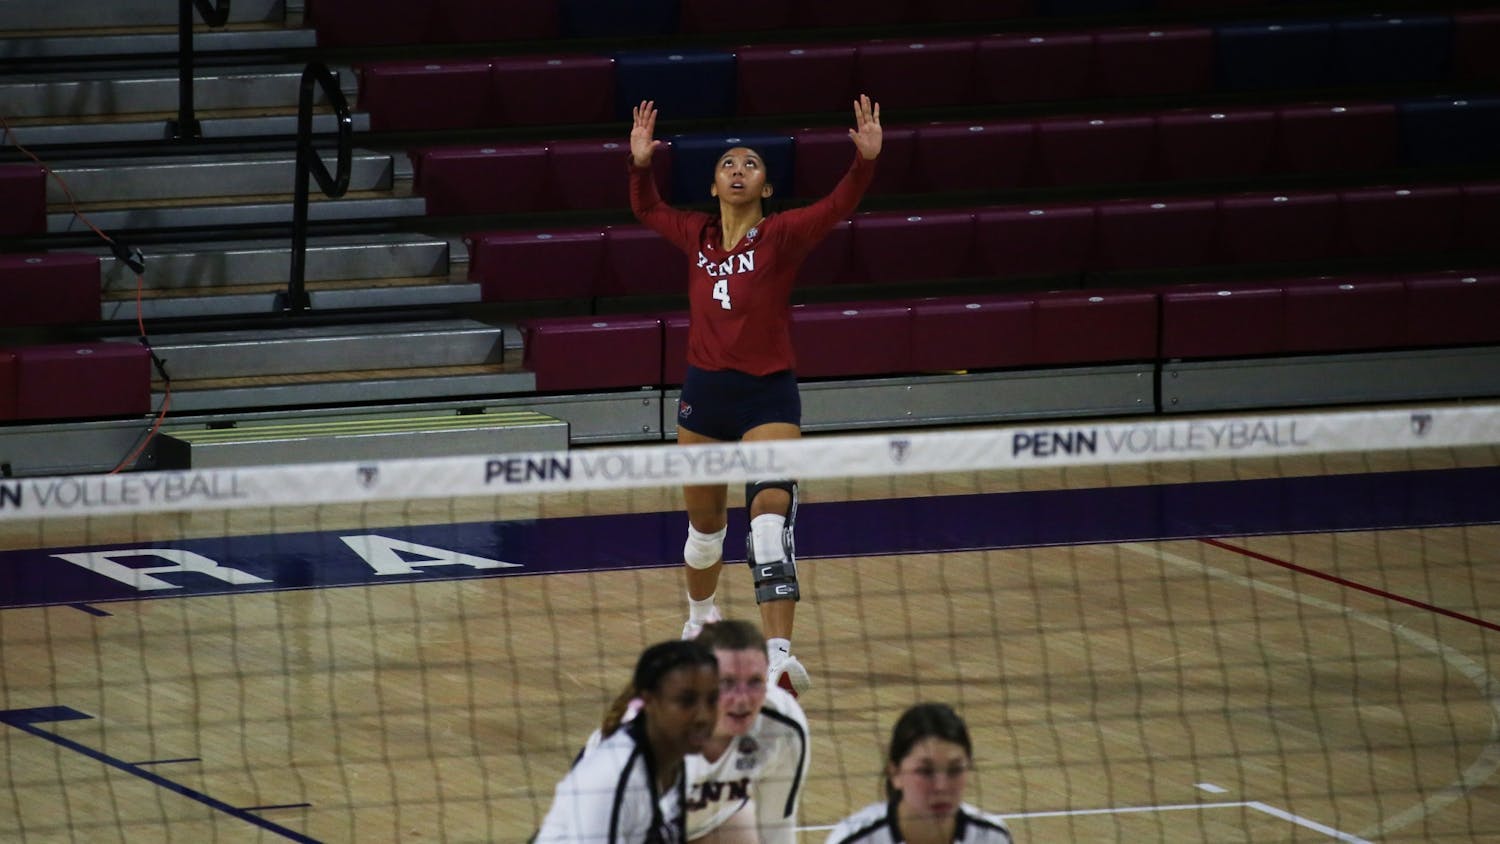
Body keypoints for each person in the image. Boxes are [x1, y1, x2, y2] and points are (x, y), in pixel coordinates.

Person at [628, 93, 884, 696]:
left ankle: (777, 657)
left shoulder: (784, 236)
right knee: (705, 532)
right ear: (715, 184)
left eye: (750, 165)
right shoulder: (694, 234)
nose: (738, 170)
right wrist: (640, 164)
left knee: (769, 525)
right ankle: (700, 620)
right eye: (728, 164)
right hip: (704, 398)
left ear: (766, 188)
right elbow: (646, 209)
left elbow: (839, 203)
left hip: (768, 397)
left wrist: (865, 161)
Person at [535, 639, 720, 843]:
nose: (704, 716)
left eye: (713, 700)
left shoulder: (675, 759)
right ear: (650, 701)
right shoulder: (613, 777)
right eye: (686, 701)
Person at [685, 619, 810, 843]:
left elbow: (776, 831)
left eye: (755, 682)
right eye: (727, 683)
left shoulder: (781, 725)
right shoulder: (655, 736)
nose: (742, 700)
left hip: (711, 825)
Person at [825, 703, 1013, 844]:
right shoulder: (855, 839)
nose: (941, 786)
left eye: (955, 770)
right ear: (895, 774)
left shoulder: (991, 837)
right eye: (925, 771)